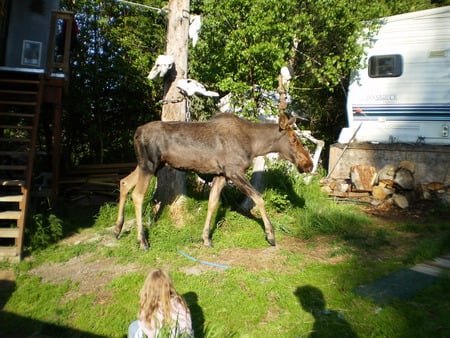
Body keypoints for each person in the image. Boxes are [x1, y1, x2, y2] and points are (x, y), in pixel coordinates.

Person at [128, 269, 193, 338]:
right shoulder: (179, 302)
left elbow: (149, 330)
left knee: (133, 327)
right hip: (183, 336)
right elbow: (186, 326)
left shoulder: (149, 306)